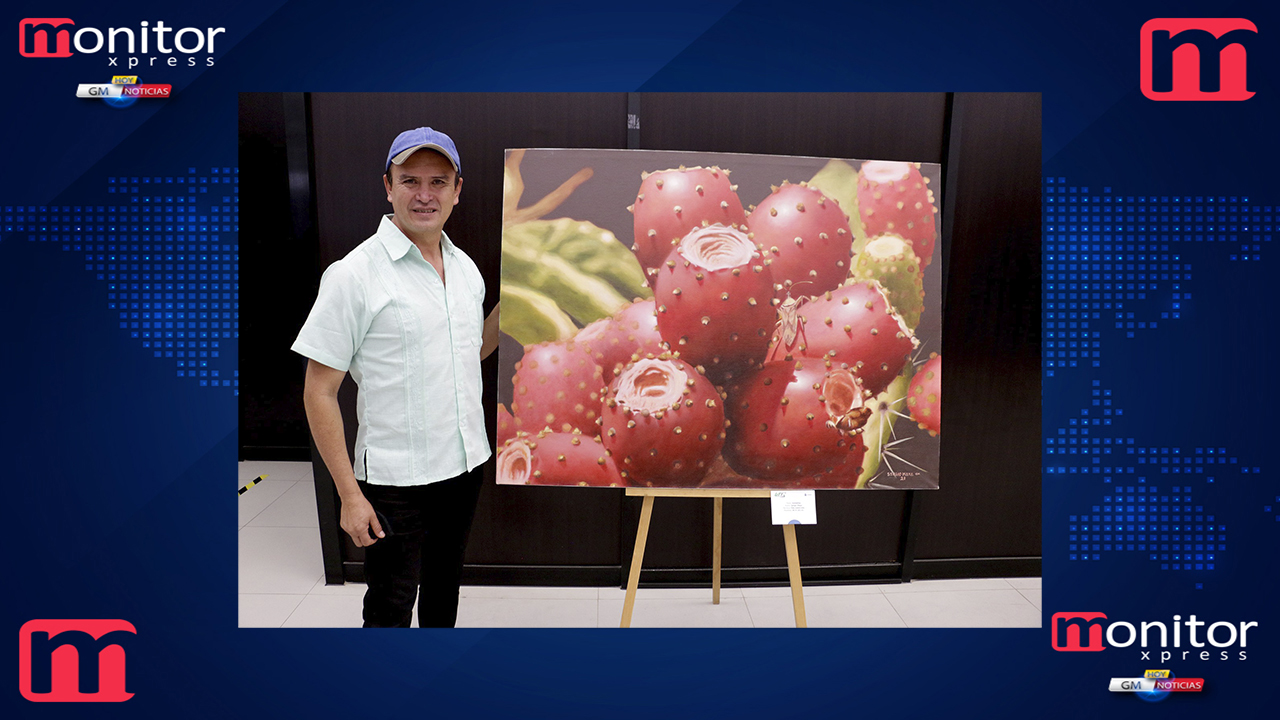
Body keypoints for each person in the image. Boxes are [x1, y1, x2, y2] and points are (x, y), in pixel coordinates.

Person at [291, 127, 499, 627]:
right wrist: (349, 495)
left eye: (437, 181)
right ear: (388, 186)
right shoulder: (354, 275)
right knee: (389, 604)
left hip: (464, 464)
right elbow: (318, 391)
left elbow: (470, 352)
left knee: (444, 589)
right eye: (410, 181)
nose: (424, 195)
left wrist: (518, 301)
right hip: (394, 481)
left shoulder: (467, 270)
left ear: (457, 189)